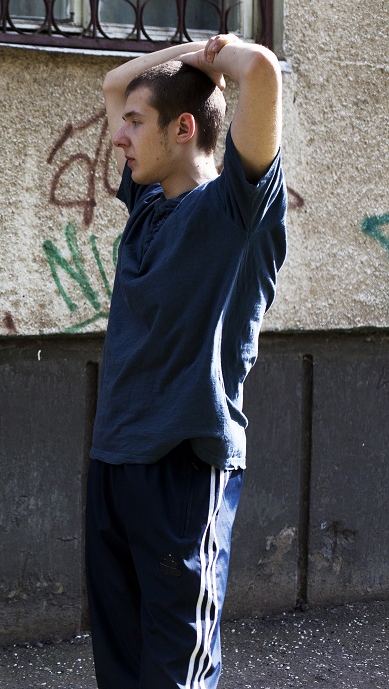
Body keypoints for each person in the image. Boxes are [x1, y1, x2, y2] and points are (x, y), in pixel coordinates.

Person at [87, 34, 286, 689]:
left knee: (176, 671)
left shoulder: (235, 208)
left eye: (135, 123)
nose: (119, 136)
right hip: (115, 459)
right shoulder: (149, 206)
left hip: (184, 466)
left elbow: (259, 69)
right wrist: (186, 55)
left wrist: (211, 56)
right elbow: (116, 81)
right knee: (121, 664)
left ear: (183, 129)